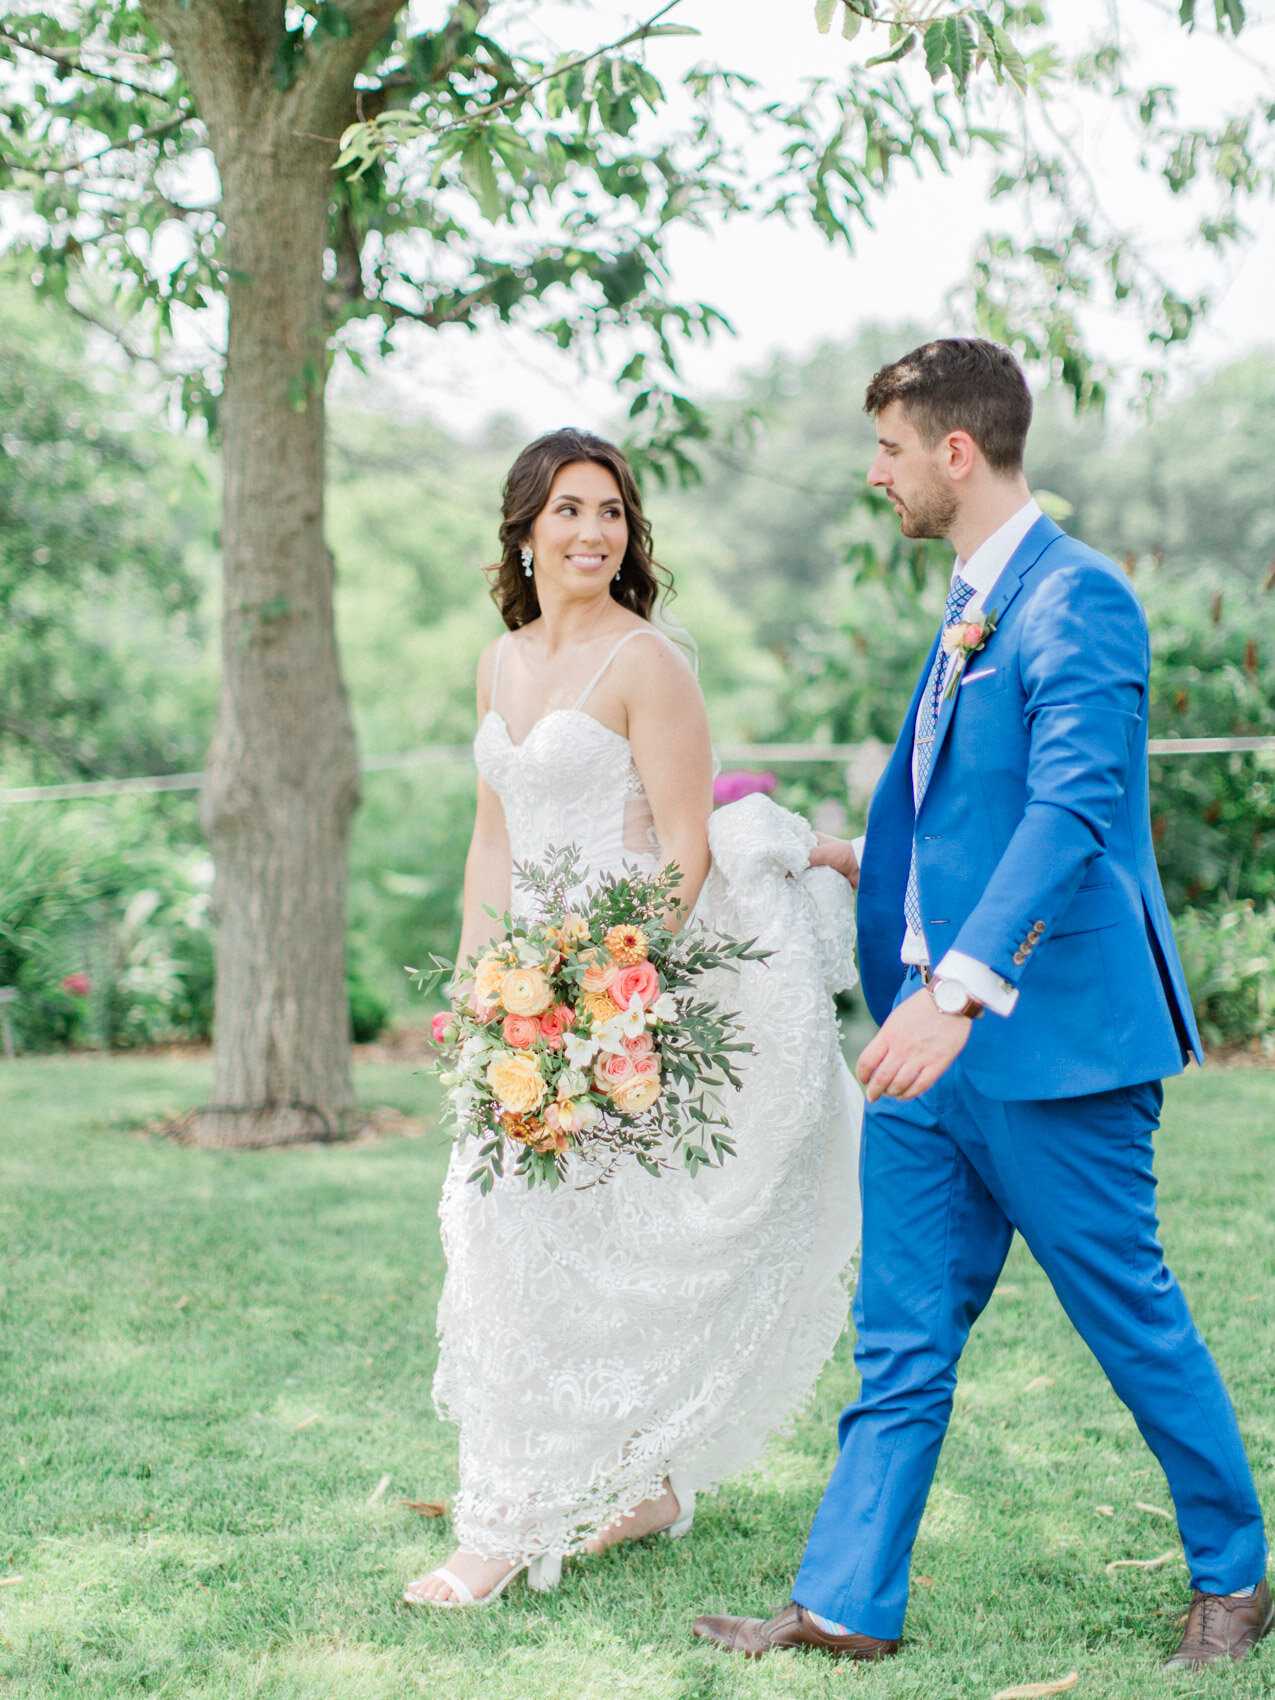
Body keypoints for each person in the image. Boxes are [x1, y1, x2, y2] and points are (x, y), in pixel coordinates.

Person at [692, 338, 1270, 1670]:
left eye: (887, 449)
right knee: (898, 1333)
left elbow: (1070, 811)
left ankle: (1233, 1574)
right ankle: (842, 1602)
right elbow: (955, 794)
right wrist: (865, 865)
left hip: (1045, 1047)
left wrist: (955, 992)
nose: (873, 474)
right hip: (922, 1049)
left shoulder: (1079, 603)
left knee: (1126, 1316)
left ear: (954, 452)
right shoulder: (969, 602)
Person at [403, 426, 865, 1608]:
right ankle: (629, 1482)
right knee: (512, 1245)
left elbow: (686, 846)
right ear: (524, 528)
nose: (592, 531)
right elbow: (492, 839)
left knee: (600, 1245)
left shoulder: (647, 661)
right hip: (521, 997)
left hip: (617, 985)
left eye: (610, 511)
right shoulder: (498, 665)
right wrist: (480, 988)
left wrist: (600, 991)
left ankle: (500, 1530)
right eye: (568, 509)